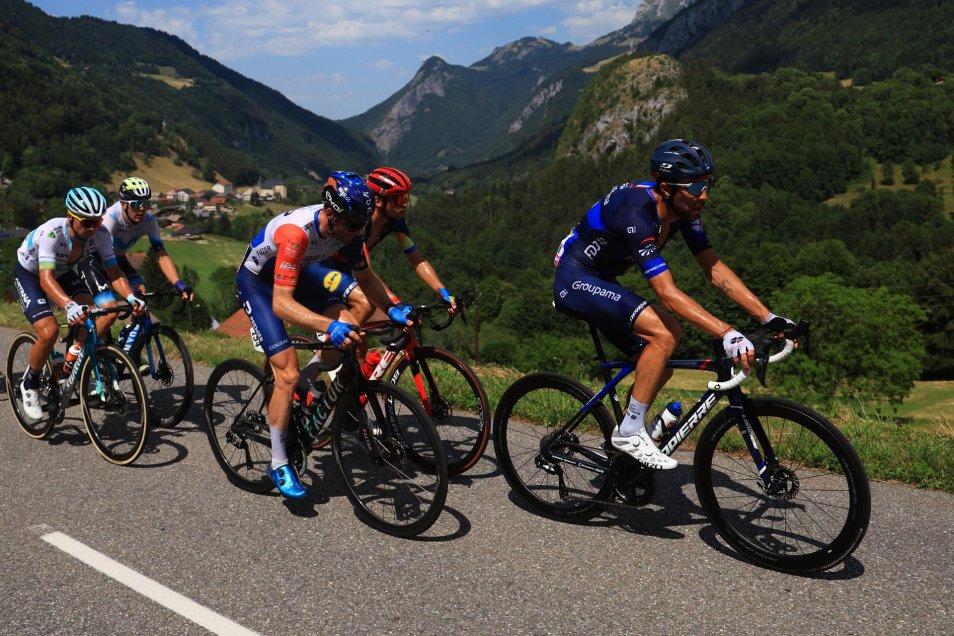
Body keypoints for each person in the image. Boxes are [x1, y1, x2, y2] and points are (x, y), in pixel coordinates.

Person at [553, 139, 794, 470]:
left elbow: (714, 268)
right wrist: (728, 333)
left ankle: (623, 445)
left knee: (660, 359)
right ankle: (630, 431)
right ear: (666, 188)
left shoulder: (685, 212)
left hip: (604, 279)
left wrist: (768, 318)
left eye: (707, 183)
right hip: (575, 278)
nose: (704, 194)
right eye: (695, 186)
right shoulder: (637, 210)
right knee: (665, 333)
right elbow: (667, 293)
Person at [237, 171, 413, 499]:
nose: (358, 233)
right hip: (259, 285)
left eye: (362, 226)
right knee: (286, 373)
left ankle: (312, 374)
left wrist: (393, 308)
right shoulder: (296, 235)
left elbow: (365, 274)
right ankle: (278, 463)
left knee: (357, 306)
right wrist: (329, 326)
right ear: (331, 215)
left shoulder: (350, 225)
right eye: (352, 226)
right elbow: (282, 304)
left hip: (300, 271)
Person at [14, 186, 147, 420]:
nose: (93, 227)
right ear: (70, 218)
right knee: (49, 331)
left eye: (96, 221)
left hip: (62, 272)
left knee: (97, 313)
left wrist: (130, 296)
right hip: (32, 274)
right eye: (87, 222)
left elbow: (114, 272)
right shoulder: (53, 233)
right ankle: (30, 381)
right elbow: (45, 280)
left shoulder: (101, 233)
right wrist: (69, 305)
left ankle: (71, 362)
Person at [99, 176, 194, 339]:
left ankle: (129, 344)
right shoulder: (110, 218)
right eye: (136, 204)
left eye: (146, 203)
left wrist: (178, 283)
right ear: (123, 204)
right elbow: (106, 259)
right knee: (108, 310)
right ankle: (86, 351)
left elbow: (161, 255)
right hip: (97, 259)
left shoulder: (149, 221)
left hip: (117, 258)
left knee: (140, 292)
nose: (142, 208)